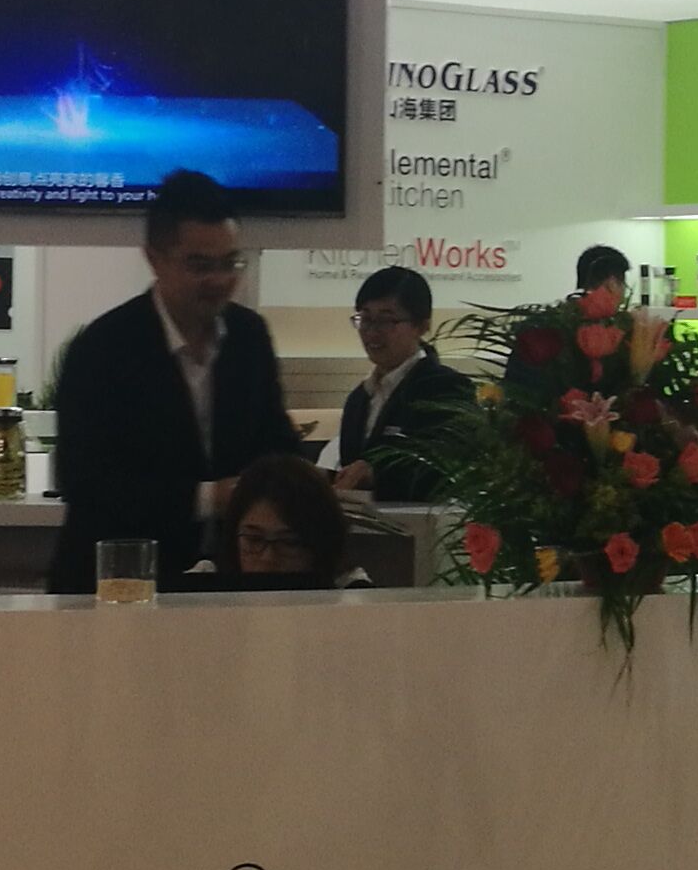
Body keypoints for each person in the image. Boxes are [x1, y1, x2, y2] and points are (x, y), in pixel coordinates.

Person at [50, 167, 301, 594]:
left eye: (230, 263)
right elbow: (84, 481)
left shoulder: (249, 337)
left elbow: (275, 441)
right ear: (155, 258)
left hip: (226, 582)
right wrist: (208, 497)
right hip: (119, 584)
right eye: (200, 265)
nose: (219, 281)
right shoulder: (104, 347)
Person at [334, 263, 470, 499]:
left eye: (386, 321)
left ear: (422, 326)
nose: (372, 331)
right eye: (365, 319)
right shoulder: (358, 399)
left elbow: (446, 470)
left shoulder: (447, 389)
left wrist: (376, 474)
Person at [189, 451, 355, 591]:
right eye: (254, 539)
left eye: (289, 542)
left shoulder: (351, 593)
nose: (268, 558)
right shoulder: (201, 584)